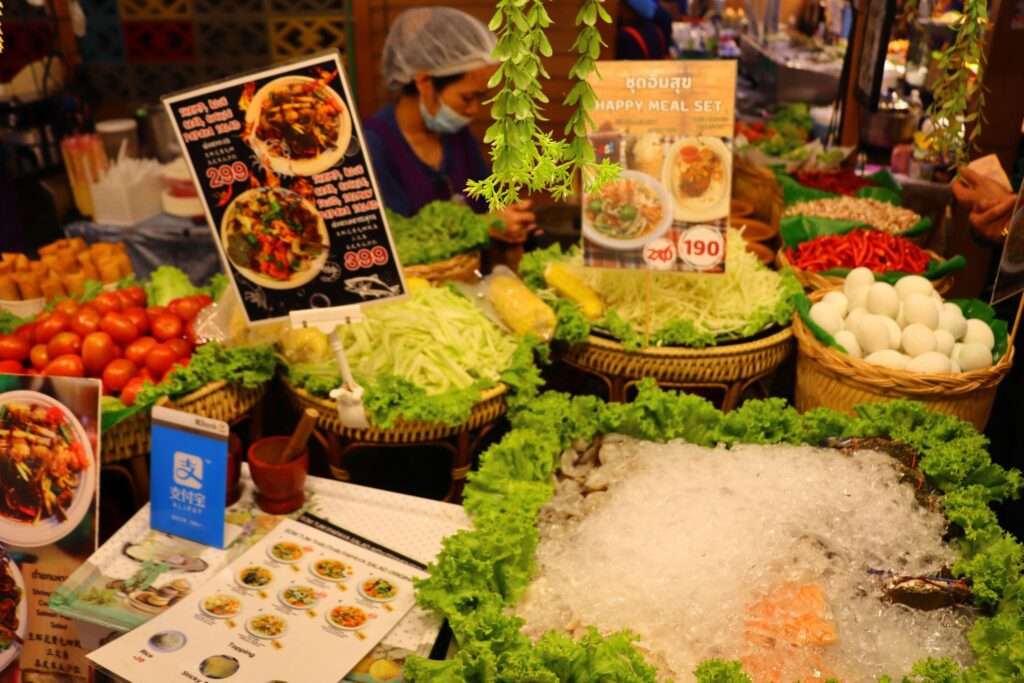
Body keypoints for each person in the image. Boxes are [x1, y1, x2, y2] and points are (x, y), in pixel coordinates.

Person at [363, 7, 535, 233]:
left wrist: (511, 219)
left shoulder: (456, 136)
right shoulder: (373, 146)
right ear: (425, 82)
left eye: (481, 98)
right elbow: (394, 236)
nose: (474, 110)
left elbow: (487, 202)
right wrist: (484, 226)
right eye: (467, 98)